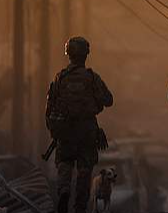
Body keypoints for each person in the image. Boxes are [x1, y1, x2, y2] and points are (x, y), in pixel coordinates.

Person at [46, 36, 114, 213]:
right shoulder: (92, 78)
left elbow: (50, 106)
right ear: (85, 54)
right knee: (84, 171)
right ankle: (79, 207)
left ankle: (64, 191)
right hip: (86, 132)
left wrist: (54, 130)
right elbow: (108, 100)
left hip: (65, 133)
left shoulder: (60, 78)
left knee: (64, 163)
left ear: (68, 54)